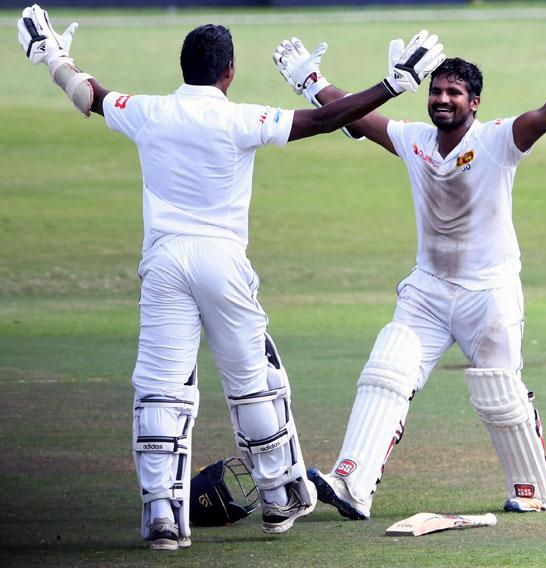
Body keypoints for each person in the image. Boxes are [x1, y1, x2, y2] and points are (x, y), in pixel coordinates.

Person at [17, 4, 446, 550]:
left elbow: (90, 95)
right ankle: (275, 497)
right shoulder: (240, 117)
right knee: (251, 384)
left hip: (165, 263)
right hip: (222, 262)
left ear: (184, 67)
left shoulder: (147, 110)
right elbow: (321, 120)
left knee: (161, 392)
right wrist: (393, 84)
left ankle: (161, 518)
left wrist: (52, 54)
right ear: (229, 73)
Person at [273, 35, 546, 519]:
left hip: (488, 293)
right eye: (436, 91)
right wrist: (309, 79)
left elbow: (544, 115)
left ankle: (534, 488)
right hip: (428, 289)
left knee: (498, 390)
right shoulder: (415, 141)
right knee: (386, 370)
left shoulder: (495, 141)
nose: (442, 99)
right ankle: (351, 484)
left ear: (474, 103)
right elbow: (356, 115)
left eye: (453, 93)